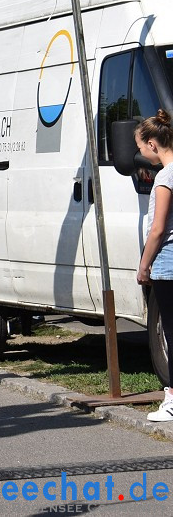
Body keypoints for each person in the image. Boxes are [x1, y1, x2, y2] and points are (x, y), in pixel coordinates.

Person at [134, 111, 173, 422]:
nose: (140, 154)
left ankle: (171, 399)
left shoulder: (164, 177)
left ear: (152, 144)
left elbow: (158, 228)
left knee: (170, 333)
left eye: (141, 147)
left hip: (167, 264)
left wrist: (144, 266)